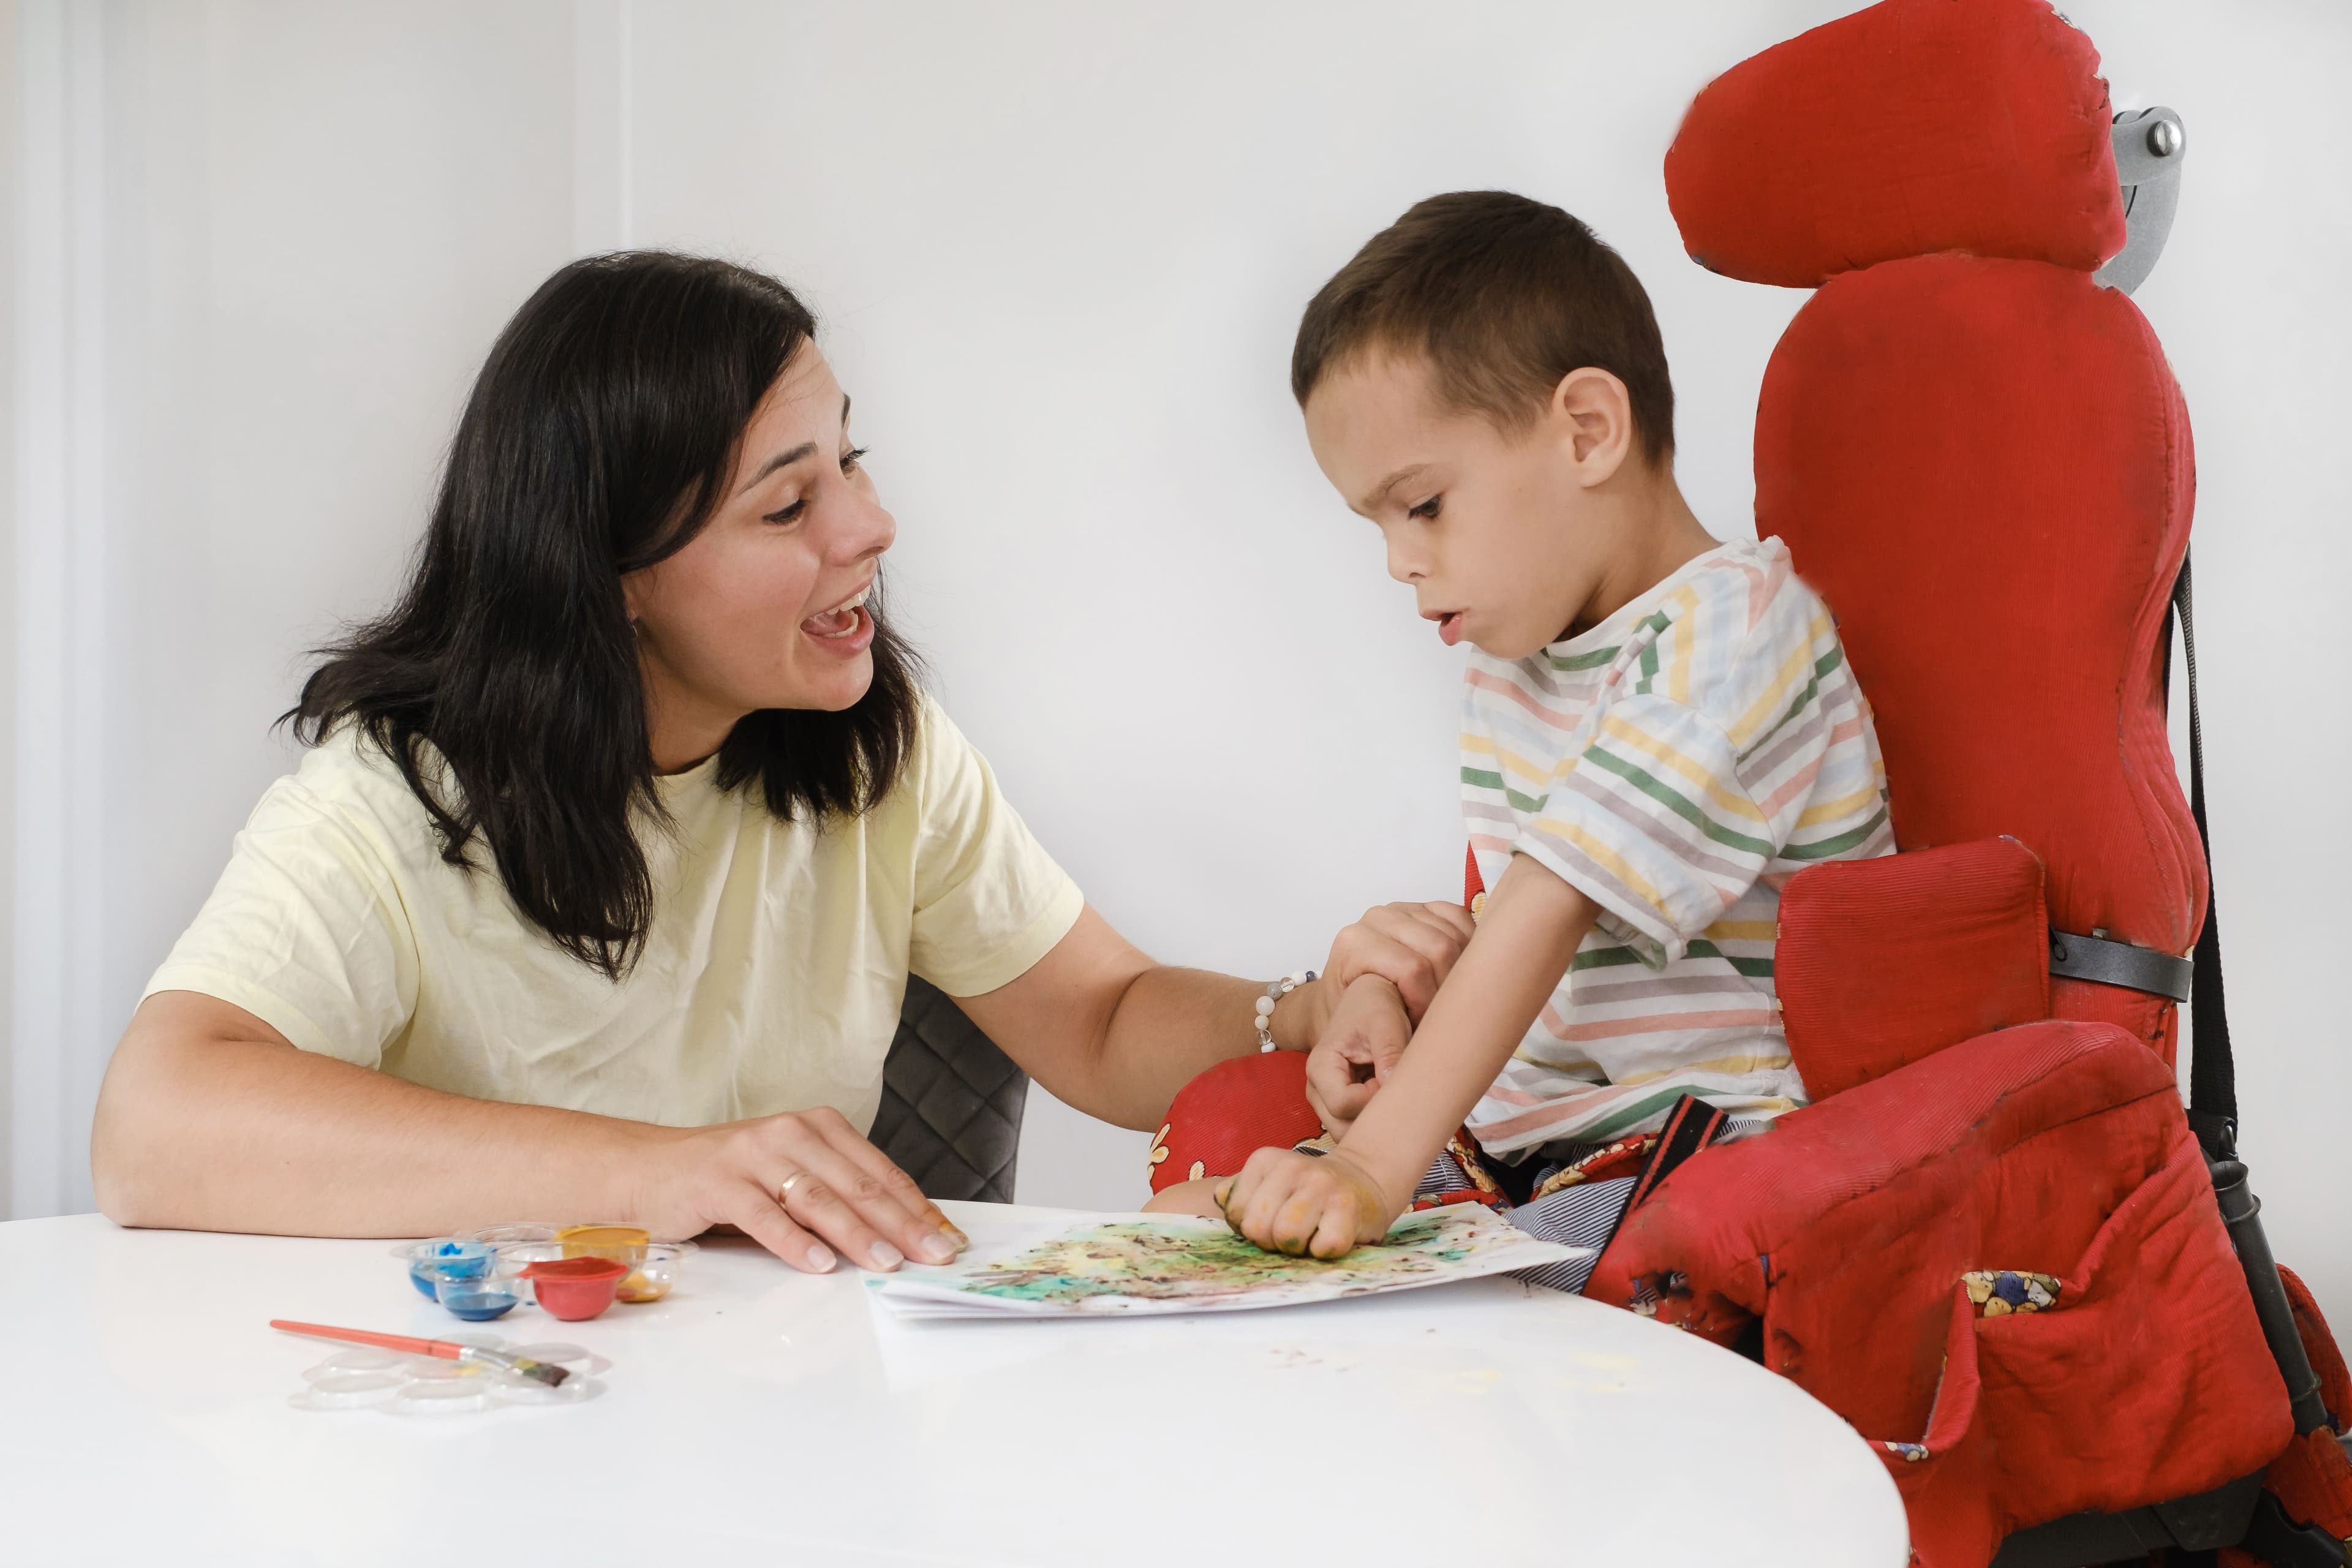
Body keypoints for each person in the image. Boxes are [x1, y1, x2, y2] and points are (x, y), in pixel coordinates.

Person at [88, 251, 1468, 1274]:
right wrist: (678, 1174)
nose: (871, 523)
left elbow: (1101, 1021)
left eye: (850, 463)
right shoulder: (397, 800)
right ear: (617, 574)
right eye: (789, 501)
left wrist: (1310, 1006)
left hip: (788, 1424)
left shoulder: (881, 754)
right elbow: (154, 1124)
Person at [1148, 192, 1893, 1265]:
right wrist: (1380, 993)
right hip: (1529, 1137)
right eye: (1379, 525)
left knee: (1386, 1269)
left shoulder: (1732, 634)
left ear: (1587, 431)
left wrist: (1363, 1172)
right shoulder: (1523, 658)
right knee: (1177, 1235)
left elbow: (1550, 905)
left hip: (1698, 1140)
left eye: (1424, 507)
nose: (1400, 562)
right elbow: (1523, 924)